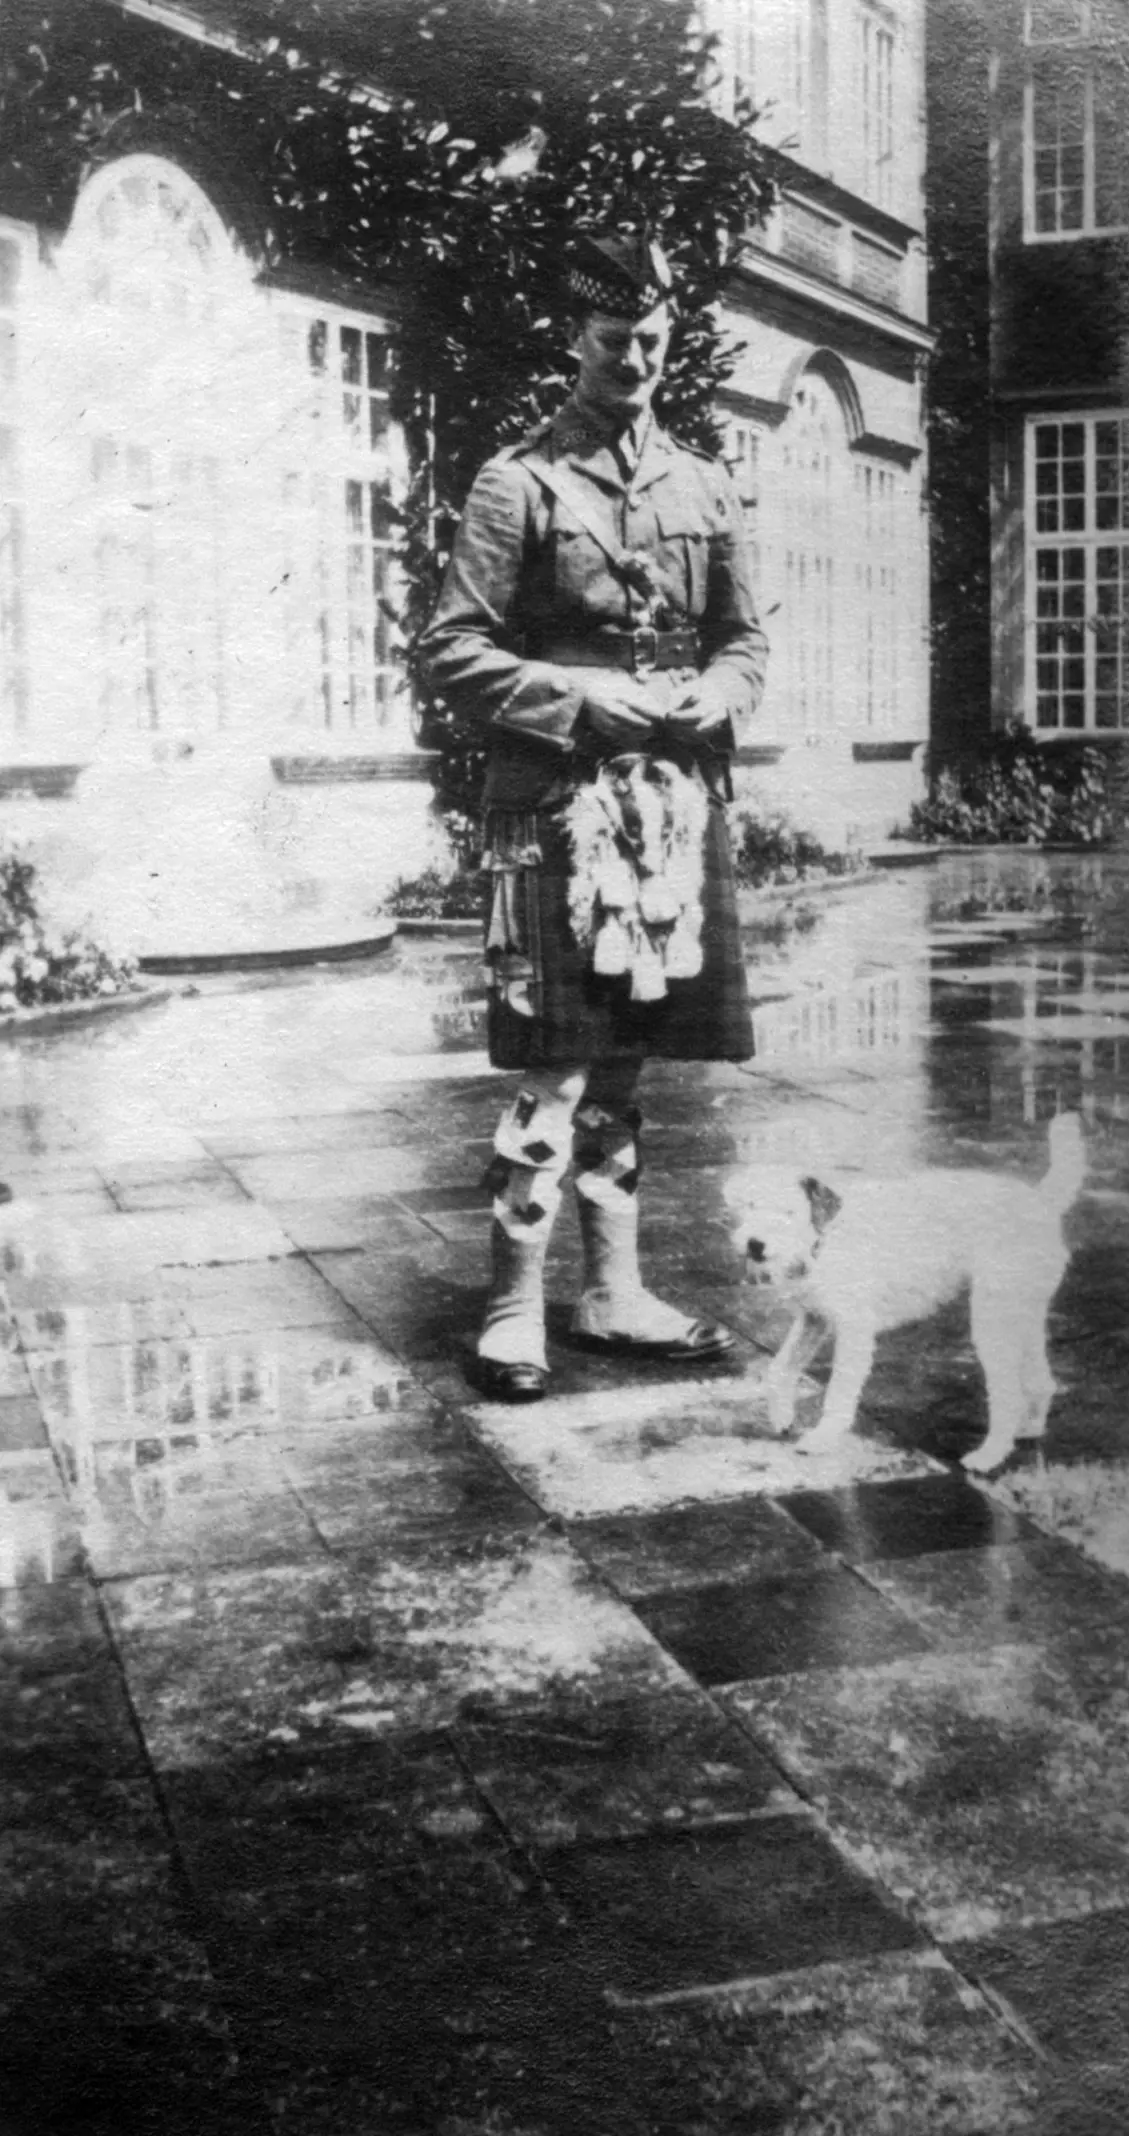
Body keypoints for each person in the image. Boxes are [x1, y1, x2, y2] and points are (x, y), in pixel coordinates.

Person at [419, 227, 769, 1402]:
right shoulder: (518, 482)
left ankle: (614, 1292)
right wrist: (579, 699)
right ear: (576, 336)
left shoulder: (704, 482)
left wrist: (714, 697)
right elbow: (451, 649)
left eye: (653, 341)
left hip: (672, 808)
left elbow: (743, 638)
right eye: (614, 340)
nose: (635, 361)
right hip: (555, 811)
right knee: (555, 1067)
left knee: (627, 1068)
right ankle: (513, 1307)